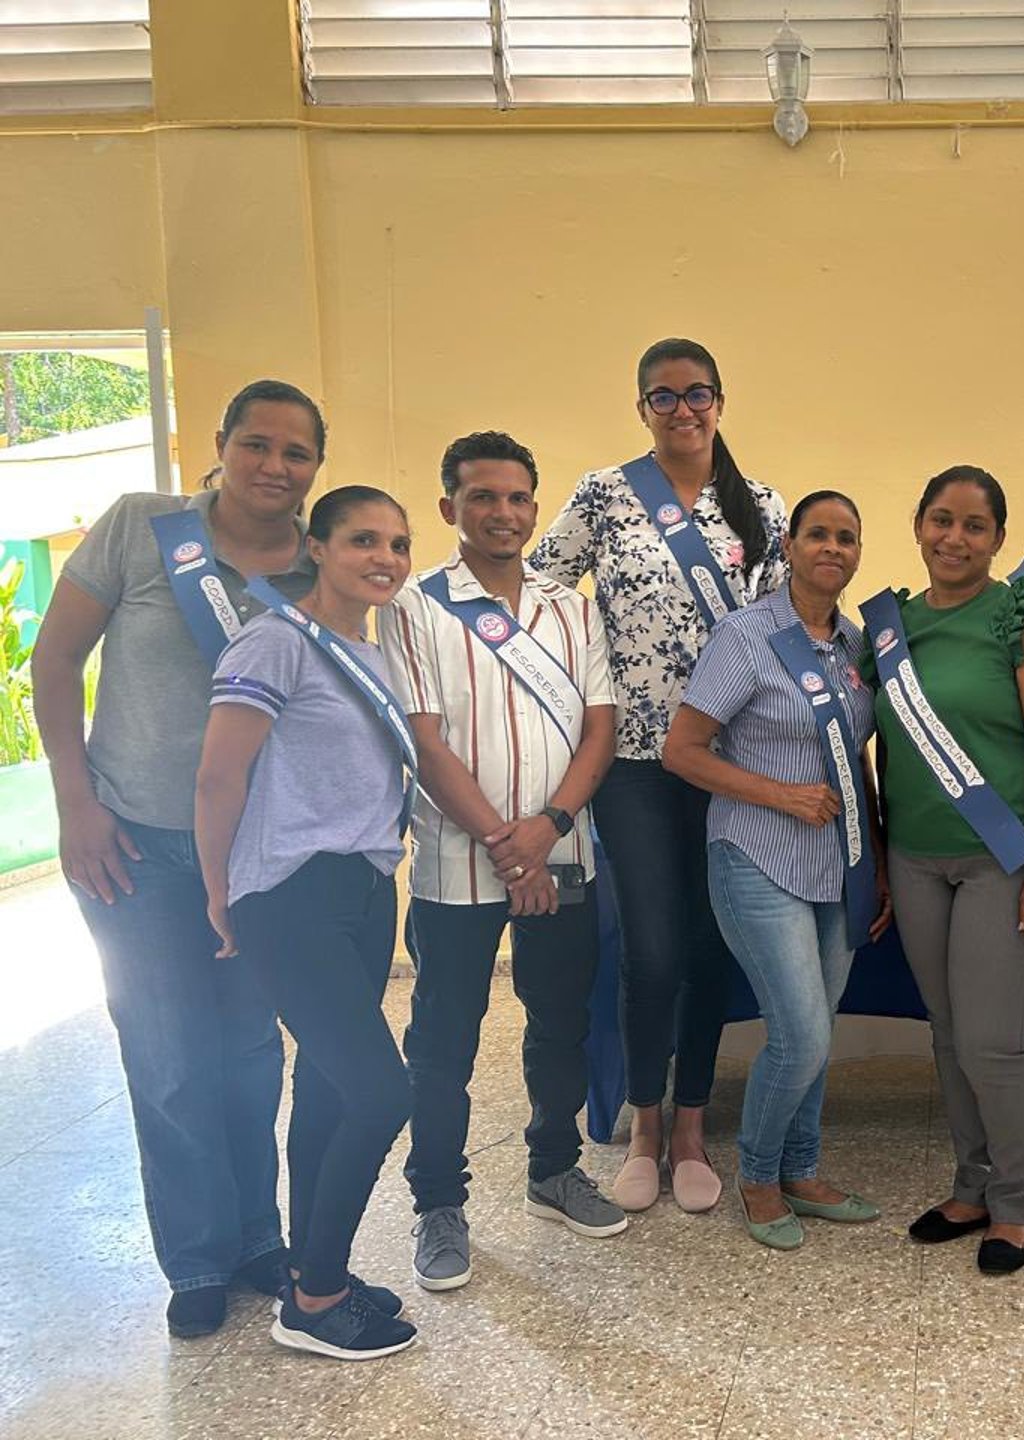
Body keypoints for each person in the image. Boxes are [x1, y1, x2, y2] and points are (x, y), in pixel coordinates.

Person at [30, 380, 326, 1338]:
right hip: (135, 844)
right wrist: (76, 804)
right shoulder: (142, 529)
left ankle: (257, 1239)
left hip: (257, 856)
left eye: (296, 453)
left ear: (316, 468)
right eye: (256, 444)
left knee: (251, 1053)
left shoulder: (318, 565)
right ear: (222, 442)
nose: (274, 466)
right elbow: (54, 661)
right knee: (168, 1055)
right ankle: (196, 1258)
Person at [531, 338, 788, 1214]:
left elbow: (782, 626)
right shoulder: (605, 495)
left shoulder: (760, 505)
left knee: (711, 945)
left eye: (697, 393)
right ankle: (645, 1127)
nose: (683, 410)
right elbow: (540, 593)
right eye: (664, 396)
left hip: (727, 761)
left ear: (720, 401)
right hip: (634, 763)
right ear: (642, 407)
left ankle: (690, 1130)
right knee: (652, 947)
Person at [378, 432, 624, 1294]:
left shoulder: (573, 610)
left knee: (560, 1023)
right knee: (445, 1039)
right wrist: (509, 847)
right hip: (459, 864)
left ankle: (554, 1169)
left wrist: (548, 826)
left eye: (518, 498)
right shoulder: (414, 606)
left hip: (564, 854)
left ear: (535, 507)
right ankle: (439, 1203)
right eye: (483, 496)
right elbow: (423, 741)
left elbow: (600, 728)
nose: (503, 513)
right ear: (450, 507)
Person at [194, 485, 419, 1360]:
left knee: (329, 1086)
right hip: (289, 891)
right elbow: (220, 775)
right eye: (363, 539)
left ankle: (311, 1268)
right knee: (381, 1092)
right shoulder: (276, 641)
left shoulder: (375, 657)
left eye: (397, 544)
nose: (384, 559)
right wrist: (220, 890)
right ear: (316, 548)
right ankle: (316, 1301)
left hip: (365, 888)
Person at [868, 467, 1024, 1275]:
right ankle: (973, 1186)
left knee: (994, 1040)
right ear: (919, 524)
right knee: (951, 1033)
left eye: (974, 525)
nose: (954, 538)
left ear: (997, 538)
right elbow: (883, 746)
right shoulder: (892, 628)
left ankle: (1018, 1203)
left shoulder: (1022, 616)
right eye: (941, 520)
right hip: (916, 860)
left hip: (1006, 860)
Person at [662, 490, 886, 1250]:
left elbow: (857, 759)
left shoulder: (855, 646)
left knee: (818, 1028)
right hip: (756, 856)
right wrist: (780, 794)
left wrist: (876, 861)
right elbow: (682, 751)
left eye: (847, 537)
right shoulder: (746, 636)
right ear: (789, 546)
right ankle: (758, 1177)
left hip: (838, 867)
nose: (832, 548)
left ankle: (803, 1170)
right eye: (818, 534)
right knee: (800, 1033)